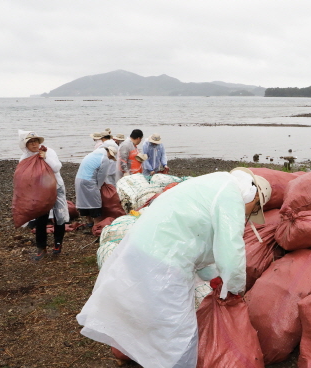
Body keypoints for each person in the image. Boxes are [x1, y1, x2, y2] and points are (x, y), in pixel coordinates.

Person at [77, 167, 272, 367]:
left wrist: (213, 277)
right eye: (254, 210)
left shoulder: (215, 183)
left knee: (146, 315)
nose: (249, 215)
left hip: (141, 248)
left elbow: (198, 242)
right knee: (177, 330)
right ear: (254, 198)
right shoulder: (232, 197)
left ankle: (147, 358)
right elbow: (231, 248)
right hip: (163, 262)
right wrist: (235, 288)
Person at [18, 130, 70, 260]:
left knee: (59, 216)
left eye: (35, 141)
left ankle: (58, 244)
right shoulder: (25, 158)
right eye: (30, 142)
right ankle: (41, 248)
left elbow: (57, 167)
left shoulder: (49, 151)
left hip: (56, 187)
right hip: (39, 191)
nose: (34, 144)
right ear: (25, 145)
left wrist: (45, 157)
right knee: (41, 218)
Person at [75, 145, 118, 226]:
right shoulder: (104, 158)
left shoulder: (91, 154)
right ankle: (97, 223)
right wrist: (99, 186)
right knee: (95, 202)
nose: (110, 158)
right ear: (109, 153)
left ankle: (89, 222)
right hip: (89, 180)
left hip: (78, 179)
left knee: (83, 200)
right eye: (111, 156)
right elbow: (102, 175)